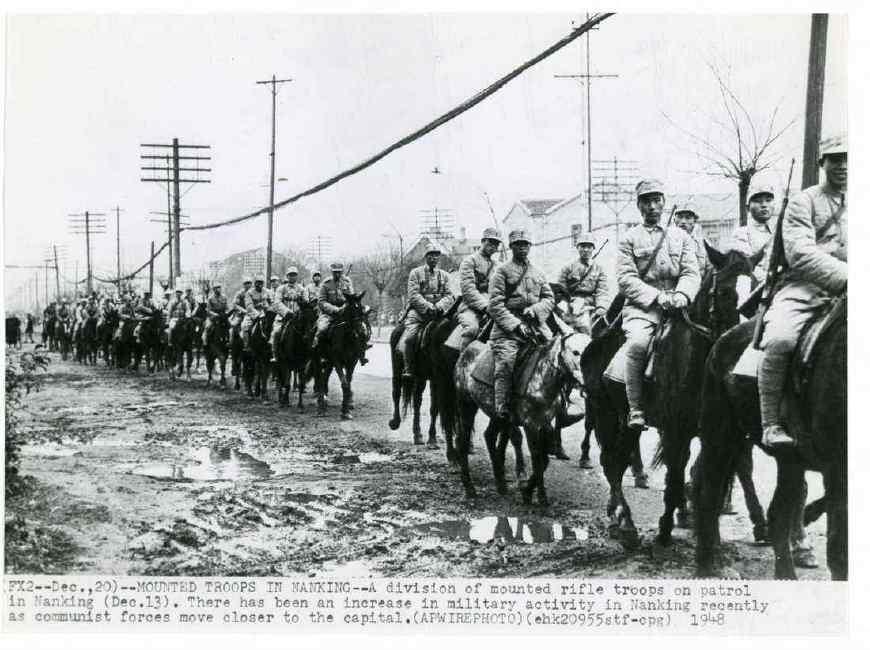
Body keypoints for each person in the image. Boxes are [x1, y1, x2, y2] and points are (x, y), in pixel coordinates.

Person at [759, 135, 847, 448]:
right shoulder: (803, 201)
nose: (843, 165)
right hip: (804, 289)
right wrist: (847, 278)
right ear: (821, 162)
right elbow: (800, 253)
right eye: (835, 158)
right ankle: (770, 423)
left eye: (849, 158)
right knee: (781, 338)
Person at [616, 179, 701, 430]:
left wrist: (683, 295)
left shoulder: (680, 236)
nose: (652, 206)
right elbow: (625, 278)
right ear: (639, 205)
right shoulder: (629, 239)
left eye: (657, 200)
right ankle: (636, 408)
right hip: (643, 310)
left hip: (679, 309)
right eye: (646, 202)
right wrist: (656, 297)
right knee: (637, 345)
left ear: (664, 202)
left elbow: (691, 272)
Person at [489, 229, 555, 422]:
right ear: (511, 247)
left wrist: (536, 309)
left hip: (536, 324)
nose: (522, 248)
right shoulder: (501, 272)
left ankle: (562, 402)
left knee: (558, 354)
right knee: (506, 362)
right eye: (518, 244)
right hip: (507, 330)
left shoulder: (538, 272)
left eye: (525, 244)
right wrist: (516, 325)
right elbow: (495, 304)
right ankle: (502, 405)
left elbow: (549, 298)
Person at [399, 244, 455, 378]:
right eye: (431, 255)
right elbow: (413, 295)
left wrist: (439, 306)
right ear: (426, 257)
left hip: (439, 314)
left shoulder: (445, 275)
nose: (434, 258)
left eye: (436, 255)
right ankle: (408, 368)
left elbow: (449, 295)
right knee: (410, 337)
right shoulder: (415, 273)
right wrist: (428, 306)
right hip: (419, 313)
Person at [457, 228, 501, 351]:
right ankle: (463, 366)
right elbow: (468, 290)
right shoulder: (469, 262)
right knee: (472, 329)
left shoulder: (499, 266)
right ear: (483, 241)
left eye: (496, 244)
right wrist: (486, 306)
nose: (493, 246)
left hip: (495, 308)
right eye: (490, 242)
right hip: (471, 307)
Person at [558, 233, 609, 333]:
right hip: (570, 303)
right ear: (578, 248)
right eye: (583, 246)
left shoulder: (598, 269)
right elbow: (560, 288)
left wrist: (601, 306)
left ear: (593, 249)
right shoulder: (568, 267)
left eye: (589, 247)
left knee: (588, 329)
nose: (586, 250)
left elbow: (602, 290)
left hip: (589, 304)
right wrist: (564, 303)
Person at [728, 183, 776, 283]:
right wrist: (769, 280)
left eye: (768, 200)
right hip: (755, 285)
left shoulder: (782, 230)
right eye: (758, 201)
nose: (764, 205)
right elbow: (746, 265)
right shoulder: (741, 233)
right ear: (748, 208)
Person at [312, 262, 354, 351]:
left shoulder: (347, 283)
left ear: (342, 272)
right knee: (322, 329)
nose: (337, 274)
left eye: (339, 272)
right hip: (328, 314)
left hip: (344, 312)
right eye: (335, 272)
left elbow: (351, 298)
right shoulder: (326, 284)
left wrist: (345, 307)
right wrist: (335, 309)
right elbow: (321, 302)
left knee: (360, 326)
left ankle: (361, 349)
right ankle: (319, 351)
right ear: (331, 272)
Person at [269, 268, 306, 361]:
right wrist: (287, 312)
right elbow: (277, 303)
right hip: (283, 317)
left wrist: (302, 304)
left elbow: (306, 302)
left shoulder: (302, 289)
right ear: (287, 276)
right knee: (276, 332)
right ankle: (275, 355)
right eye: (290, 275)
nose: (292, 277)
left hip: (299, 318)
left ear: (297, 276)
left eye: (294, 275)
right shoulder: (281, 289)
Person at [673, 202, 709, 277]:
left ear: (694, 221)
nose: (683, 221)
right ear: (674, 220)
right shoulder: (667, 241)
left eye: (688, 218)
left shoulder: (702, 243)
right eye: (679, 217)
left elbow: (710, 268)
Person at [241, 277, 269, 352]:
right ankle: (246, 346)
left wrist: (268, 309)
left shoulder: (267, 292)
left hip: (265, 312)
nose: (259, 284)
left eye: (261, 282)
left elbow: (272, 302)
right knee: (245, 326)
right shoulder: (249, 293)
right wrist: (257, 314)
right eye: (257, 282)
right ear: (254, 283)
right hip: (252, 313)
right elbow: (249, 306)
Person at [201, 282, 228, 346]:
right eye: (216, 288)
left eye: (219, 288)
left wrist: (226, 312)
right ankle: (205, 340)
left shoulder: (224, 297)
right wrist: (214, 314)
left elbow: (227, 307)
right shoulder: (210, 298)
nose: (218, 289)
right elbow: (208, 310)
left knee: (231, 326)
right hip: (213, 317)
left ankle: (230, 341)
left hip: (222, 316)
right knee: (207, 327)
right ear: (214, 289)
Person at [229, 277, 253, 346]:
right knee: (234, 325)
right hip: (240, 314)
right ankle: (231, 343)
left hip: (252, 313)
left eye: (249, 283)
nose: (248, 285)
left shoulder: (253, 292)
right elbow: (235, 304)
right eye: (246, 283)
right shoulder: (240, 293)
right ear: (243, 285)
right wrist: (244, 311)